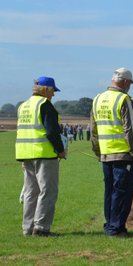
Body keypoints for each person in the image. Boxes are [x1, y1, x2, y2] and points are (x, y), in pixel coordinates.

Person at [91, 67, 133, 237]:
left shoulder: (97, 99)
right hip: (123, 154)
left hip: (106, 155)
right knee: (122, 192)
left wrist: (98, 152)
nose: (130, 87)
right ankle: (116, 229)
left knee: (110, 192)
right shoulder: (123, 99)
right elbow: (131, 130)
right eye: (130, 84)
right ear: (125, 82)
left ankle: (110, 225)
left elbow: (93, 130)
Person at [15, 76, 66, 236]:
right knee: (48, 191)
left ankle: (27, 228)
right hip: (43, 153)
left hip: (25, 153)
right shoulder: (45, 105)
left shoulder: (23, 106)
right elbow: (52, 131)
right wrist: (60, 150)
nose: (54, 95)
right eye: (52, 91)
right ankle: (41, 228)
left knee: (31, 192)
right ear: (46, 90)